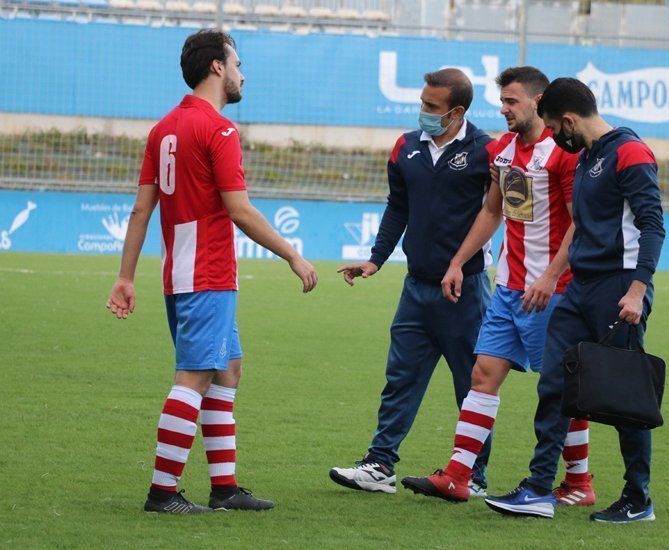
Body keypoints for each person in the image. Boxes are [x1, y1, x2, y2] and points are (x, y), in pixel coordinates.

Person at [106, 29, 318, 514]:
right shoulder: (219, 130)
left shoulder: (163, 129)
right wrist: (293, 254)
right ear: (217, 68)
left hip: (178, 275)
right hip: (209, 275)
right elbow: (239, 210)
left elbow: (142, 210)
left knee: (228, 370)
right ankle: (162, 494)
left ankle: (224, 487)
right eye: (238, 63)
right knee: (195, 377)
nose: (243, 73)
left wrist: (125, 276)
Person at [400, 67, 595, 506]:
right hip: (508, 288)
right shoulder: (503, 150)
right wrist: (457, 262)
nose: (503, 109)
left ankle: (580, 483)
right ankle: (457, 476)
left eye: (511, 101)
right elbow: (492, 212)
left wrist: (549, 277)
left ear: (538, 102)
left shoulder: (563, 154)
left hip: (553, 292)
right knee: (482, 376)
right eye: (501, 101)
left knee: (560, 389)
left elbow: (579, 224)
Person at [482, 77, 665, 522]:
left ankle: (638, 498)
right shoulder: (585, 156)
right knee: (555, 386)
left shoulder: (630, 152)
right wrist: (555, 275)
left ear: (567, 120)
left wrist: (638, 291)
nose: (553, 137)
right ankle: (540, 488)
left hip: (620, 288)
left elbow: (653, 225)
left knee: (624, 397)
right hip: (579, 288)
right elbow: (579, 225)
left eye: (553, 126)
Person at [329, 68, 495, 497]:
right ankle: (380, 464)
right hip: (415, 288)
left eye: (431, 106)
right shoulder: (405, 147)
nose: (422, 111)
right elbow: (397, 208)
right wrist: (376, 259)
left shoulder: (488, 152)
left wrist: (463, 262)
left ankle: (473, 476)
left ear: (456, 112)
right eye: (422, 102)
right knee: (400, 378)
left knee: (472, 386)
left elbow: (497, 213)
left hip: (466, 290)